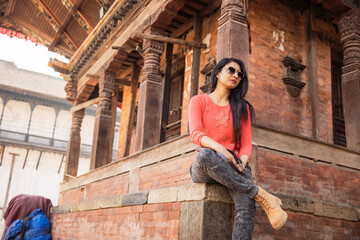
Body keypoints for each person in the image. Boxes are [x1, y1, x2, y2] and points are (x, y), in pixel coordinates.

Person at [189, 58, 287, 239]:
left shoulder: (243, 108)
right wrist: (220, 149)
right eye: (231, 70)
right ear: (218, 73)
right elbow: (195, 134)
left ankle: (252, 194)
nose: (236, 75)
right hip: (206, 165)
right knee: (205, 155)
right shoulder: (199, 101)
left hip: (233, 165)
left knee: (245, 208)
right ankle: (260, 194)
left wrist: (242, 161)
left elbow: (246, 143)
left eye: (240, 74)